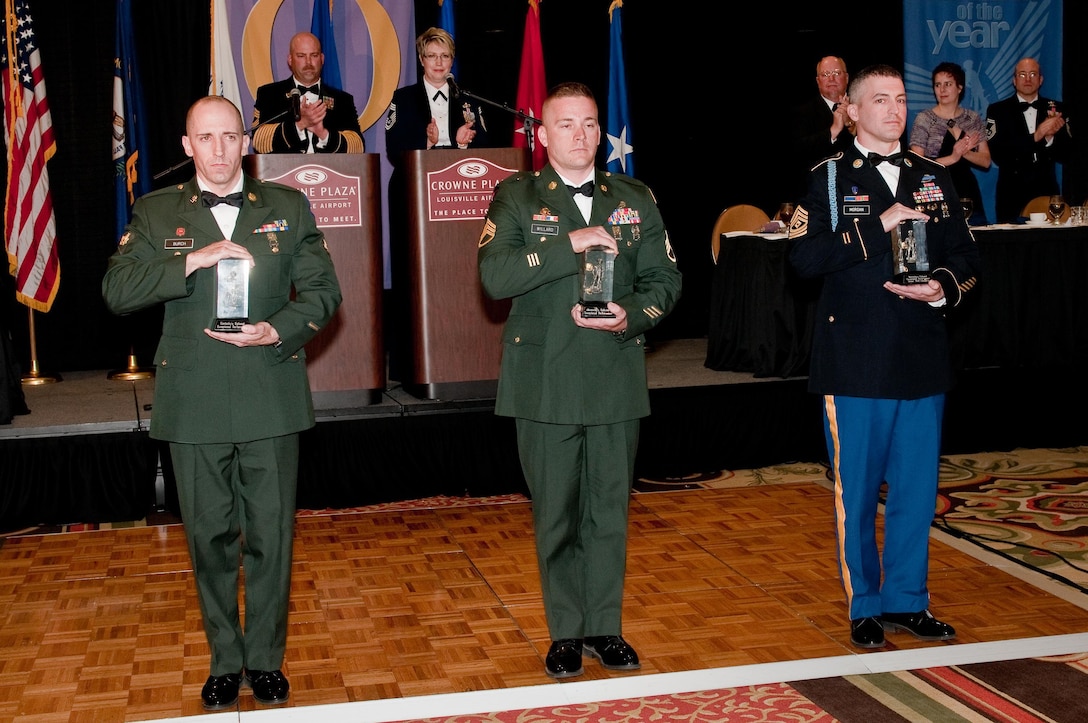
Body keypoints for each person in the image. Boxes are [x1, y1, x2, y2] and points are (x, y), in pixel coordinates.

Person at [102, 95, 342, 709]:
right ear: (187, 146)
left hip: (269, 388)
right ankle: (223, 658)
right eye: (204, 139)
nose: (217, 150)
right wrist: (193, 258)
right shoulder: (158, 212)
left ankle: (264, 660)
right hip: (195, 398)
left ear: (246, 141)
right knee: (208, 539)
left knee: (270, 537)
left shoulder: (287, 206)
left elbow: (322, 292)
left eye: (229, 137)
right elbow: (117, 290)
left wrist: (278, 329)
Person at [477, 82, 682, 678]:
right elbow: (495, 276)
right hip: (544, 379)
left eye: (590, 124)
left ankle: (605, 628)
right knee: (558, 514)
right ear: (543, 134)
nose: (581, 136)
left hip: (615, 373)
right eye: (566, 124)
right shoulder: (516, 196)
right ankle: (565, 632)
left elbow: (666, 280)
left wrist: (633, 316)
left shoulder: (634, 198)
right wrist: (571, 243)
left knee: (609, 511)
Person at [787, 65, 981, 651]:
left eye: (901, 99)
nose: (895, 110)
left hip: (922, 356)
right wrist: (878, 223)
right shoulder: (825, 177)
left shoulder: (932, 175)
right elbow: (802, 259)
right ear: (851, 109)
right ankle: (865, 604)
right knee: (859, 488)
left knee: (918, 492)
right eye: (881, 100)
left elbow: (967, 259)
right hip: (856, 361)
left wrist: (942, 286)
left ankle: (907, 600)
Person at [985, 57, 1073, 223]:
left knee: (1050, 247)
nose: (1027, 79)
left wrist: (1049, 139)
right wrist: (1036, 136)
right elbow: (999, 153)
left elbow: (1067, 154)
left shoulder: (1057, 109)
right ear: (1014, 80)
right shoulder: (998, 110)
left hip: (1047, 191)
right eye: (1022, 74)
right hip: (1011, 193)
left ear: (1041, 80)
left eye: (1033, 74)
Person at [384, 27, 491, 158]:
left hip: (459, 174)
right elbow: (393, 150)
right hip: (418, 173)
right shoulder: (404, 98)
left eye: (445, 56)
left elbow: (486, 147)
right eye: (431, 56)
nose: (439, 62)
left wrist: (463, 145)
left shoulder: (467, 98)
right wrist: (427, 142)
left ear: (452, 61)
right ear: (421, 60)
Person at [250, 31, 364, 154]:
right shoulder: (269, 95)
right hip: (283, 171)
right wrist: (299, 124)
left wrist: (324, 134)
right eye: (301, 56)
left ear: (322, 59)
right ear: (290, 59)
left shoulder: (342, 100)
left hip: (329, 171)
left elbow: (358, 147)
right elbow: (258, 142)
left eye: (314, 55)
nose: (308, 63)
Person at [910, 62, 991, 225]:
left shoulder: (972, 118)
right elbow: (915, 164)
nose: (942, 90)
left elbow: (986, 160)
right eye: (938, 85)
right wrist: (953, 157)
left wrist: (965, 153)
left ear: (960, 87)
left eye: (948, 84)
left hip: (966, 190)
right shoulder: (925, 119)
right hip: (934, 189)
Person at [790, 56, 854, 197]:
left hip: (859, 190)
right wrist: (833, 131)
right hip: (818, 193)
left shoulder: (864, 107)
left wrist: (851, 125)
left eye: (837, 73)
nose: (831, 79)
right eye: (825, 75)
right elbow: (797, 153)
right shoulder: (803, 113)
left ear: (847, 77)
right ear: (818, 81)